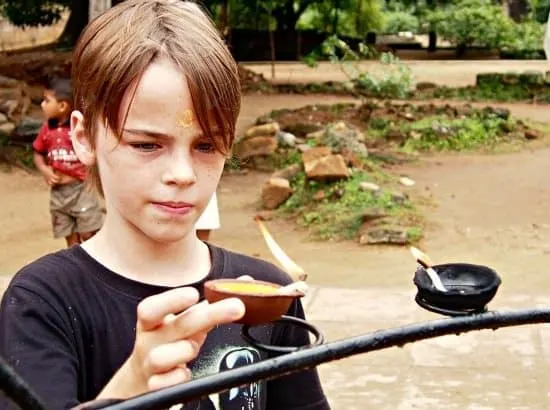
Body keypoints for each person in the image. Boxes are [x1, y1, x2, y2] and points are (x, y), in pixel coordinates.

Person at [0, 1, 330, 410]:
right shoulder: (42, 301)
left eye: (206, 145)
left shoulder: (265, 294)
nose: (183, 173)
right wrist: (132, 385)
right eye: (146, 144)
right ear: (83, 139)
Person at [32, 76, 104, 247]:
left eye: (47, 100)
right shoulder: (46, 129)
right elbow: (37, 153)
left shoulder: (80, 129)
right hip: (58, 193)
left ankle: (94, 268)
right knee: (70, 237)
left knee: (89, 233)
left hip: (82, 189)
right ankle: (76, 270)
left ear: (63, 105)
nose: (42, 104)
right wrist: (44, 170)